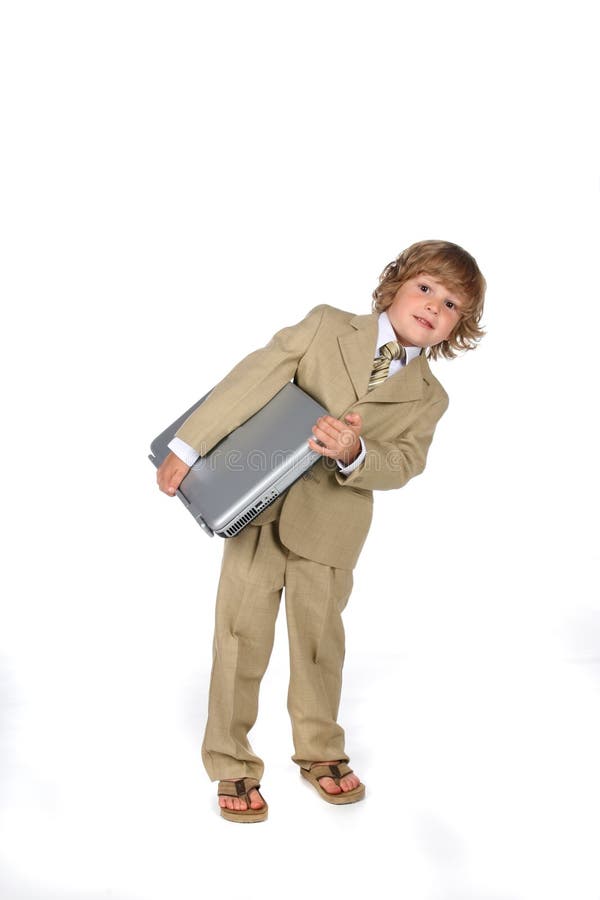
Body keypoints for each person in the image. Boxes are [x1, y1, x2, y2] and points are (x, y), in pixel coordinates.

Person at [156, 239, 486, 822]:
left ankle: (319, 751)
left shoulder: (430, 398)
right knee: (239, 640)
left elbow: (406, 463)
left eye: (453, 305)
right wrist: (189, 445)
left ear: (458, 329)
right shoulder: (326, 325)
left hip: (333, 530)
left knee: (318, 647)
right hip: (257, 511)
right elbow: (252, 379)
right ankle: (230, 760)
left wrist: (358, 452)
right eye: (427, 287)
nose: (434, 306)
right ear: (397, 283)